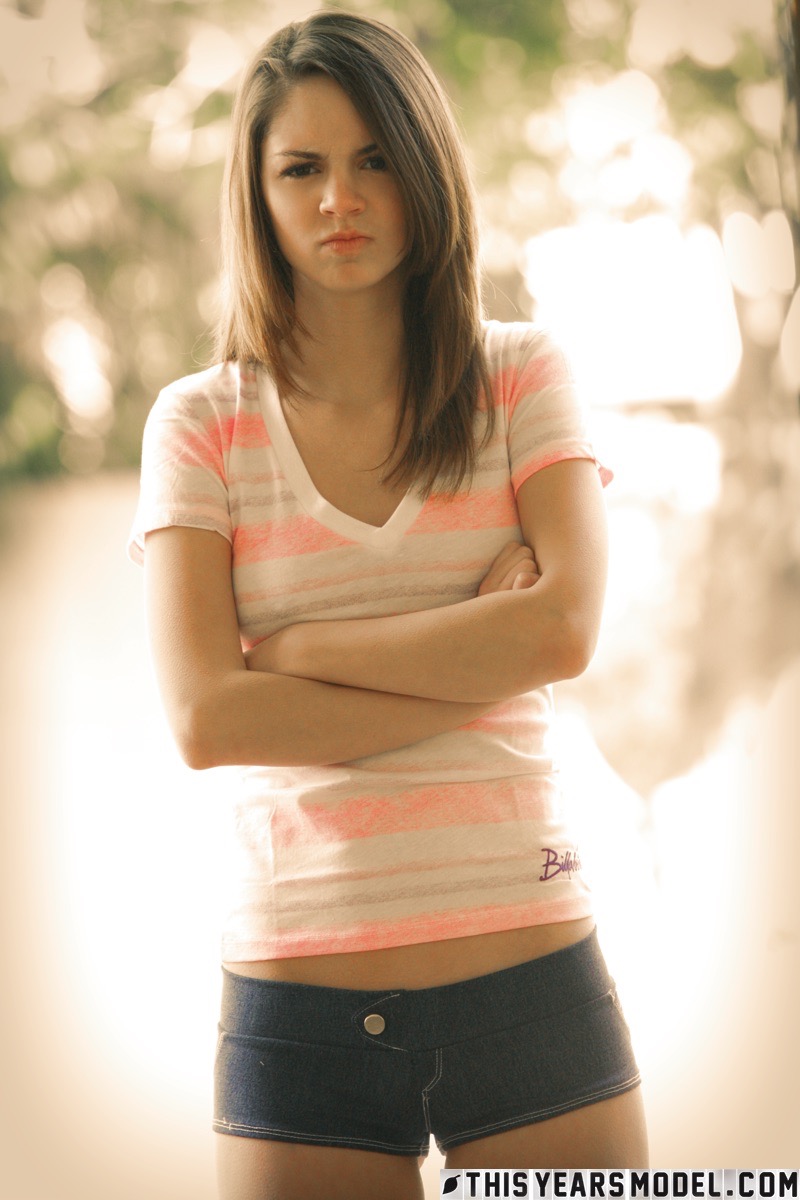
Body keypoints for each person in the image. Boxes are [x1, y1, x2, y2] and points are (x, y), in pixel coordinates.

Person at [128, 10, 648, 1199]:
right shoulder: (197, 425)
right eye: (299, 169)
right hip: (298, 1016)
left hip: (531, 983)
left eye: (372, 159)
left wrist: (300, 651)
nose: (339, 200)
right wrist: (478, 658)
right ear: (255, 194)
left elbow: (562, 632)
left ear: (424, 168)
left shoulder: (522, 375)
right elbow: (207, 719)